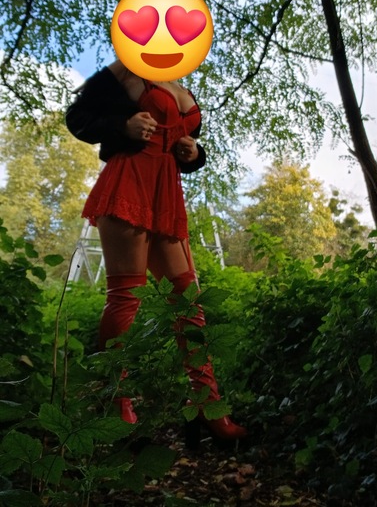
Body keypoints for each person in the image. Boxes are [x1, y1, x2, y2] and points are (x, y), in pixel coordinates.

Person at [66, 60, 247, 446]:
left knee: (188, 302)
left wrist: (194, 153)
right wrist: (122, 126)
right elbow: (77, 118)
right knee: (126, 297)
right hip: (128, 183)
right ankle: (115, 408)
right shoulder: (126, 69)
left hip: (166, 194)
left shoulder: (180, 82)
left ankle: (206, 405)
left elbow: (186, 146)